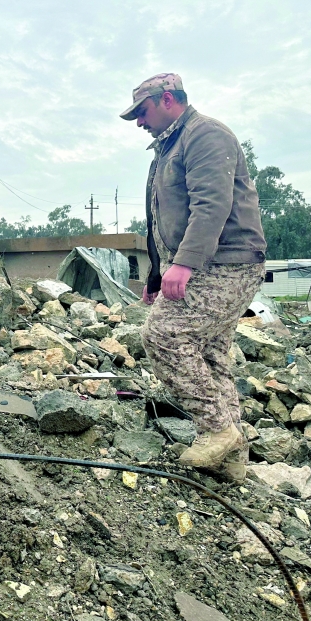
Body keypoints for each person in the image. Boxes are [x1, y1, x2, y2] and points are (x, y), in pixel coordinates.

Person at [120, 73, 266, 482]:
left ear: (168, 100)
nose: (138, 122)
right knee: (210, 354)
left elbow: (211, 206)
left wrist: (184, 264)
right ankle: (233, 461)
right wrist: (156, 273)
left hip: (228, 262)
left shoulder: (205, 135)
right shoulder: (167, 148)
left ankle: (217, 430)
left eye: (142, 112)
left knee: (163, 335)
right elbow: (158, 220)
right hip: (203, 263)